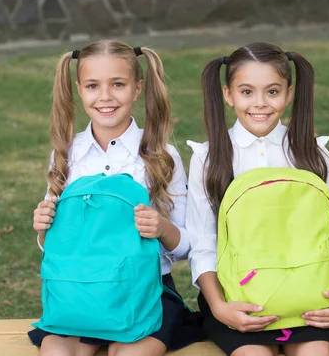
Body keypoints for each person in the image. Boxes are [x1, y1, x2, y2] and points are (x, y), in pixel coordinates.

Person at [186, 42, 329, 356]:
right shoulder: (209, 158)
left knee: (316, 351)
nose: (260, 103)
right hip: (239, 300)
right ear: (228, 94)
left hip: (308, 296)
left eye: (272, 92)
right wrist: (219, 308)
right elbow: (203, 244)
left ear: (288, 93)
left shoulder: (312, 154)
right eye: (247, 92)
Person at [29, 39, 202, 356]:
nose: (105, 96)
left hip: (147, 291)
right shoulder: (67, 155)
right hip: (81, 290)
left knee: (129, 353)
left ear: (137, 89)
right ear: (79, 89)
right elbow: (53, 244)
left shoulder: (161, 157)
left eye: (118, 84)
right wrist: (43, 227)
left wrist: (161, 228)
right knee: (57, 351)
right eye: (93, 85)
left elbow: (186, 246)